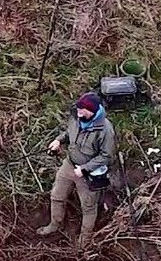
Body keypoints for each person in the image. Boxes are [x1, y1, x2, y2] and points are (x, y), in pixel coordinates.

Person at [38, 92, 116, 246]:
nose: (79, 113)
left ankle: (84, 241)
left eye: (82, 110)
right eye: (78, 109)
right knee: (56, 196)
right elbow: (69, 134)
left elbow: (107, 156)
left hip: (88, 173)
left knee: (88, 207)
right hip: (70, 164)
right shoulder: (76, 116)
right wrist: (58, 141)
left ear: (92, 111)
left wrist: (85, 169)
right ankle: (54, 225)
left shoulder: (105, 129)